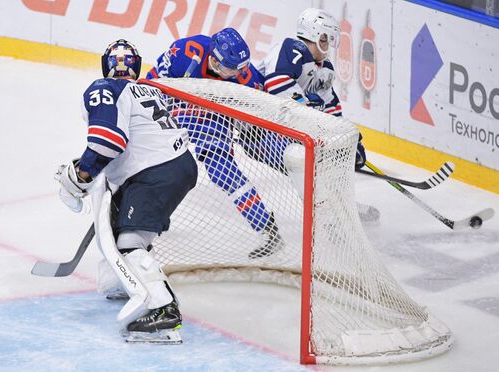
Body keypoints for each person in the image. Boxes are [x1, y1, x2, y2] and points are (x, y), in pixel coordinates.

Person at [55, 39, 198, 344]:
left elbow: (108, 141)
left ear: (106, 66)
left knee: (129, 242)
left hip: (156, 170)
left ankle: (162, 309)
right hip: (177, 163)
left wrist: (81, 174)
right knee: (122, 222)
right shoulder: (149, 88)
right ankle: (127, 283)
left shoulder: (104, 87)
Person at [147, 28, 285, 259]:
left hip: (212, 116)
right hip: (176, 107)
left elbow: (265, 107)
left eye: (240, 69)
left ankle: (266, 228)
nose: (235, 74)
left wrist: (249, 122)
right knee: (157, 161)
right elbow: (150, 84)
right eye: (230, 69)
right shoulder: (184, 51)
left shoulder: (244, 75)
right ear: (213, 58)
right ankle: (143, 217)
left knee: (222, 171)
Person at [255, 8, 379, 223]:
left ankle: (344, 207)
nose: (328, 44)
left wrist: (348, 140)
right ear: (312, 34)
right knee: (301, 161)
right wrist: (308, 109)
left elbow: (330, 103)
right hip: (260, 129)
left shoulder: (325, 68)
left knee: (332, 157)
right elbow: (276, 86)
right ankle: (324, 217)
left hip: (290, 130)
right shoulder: (291, 49)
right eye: (325, 38)